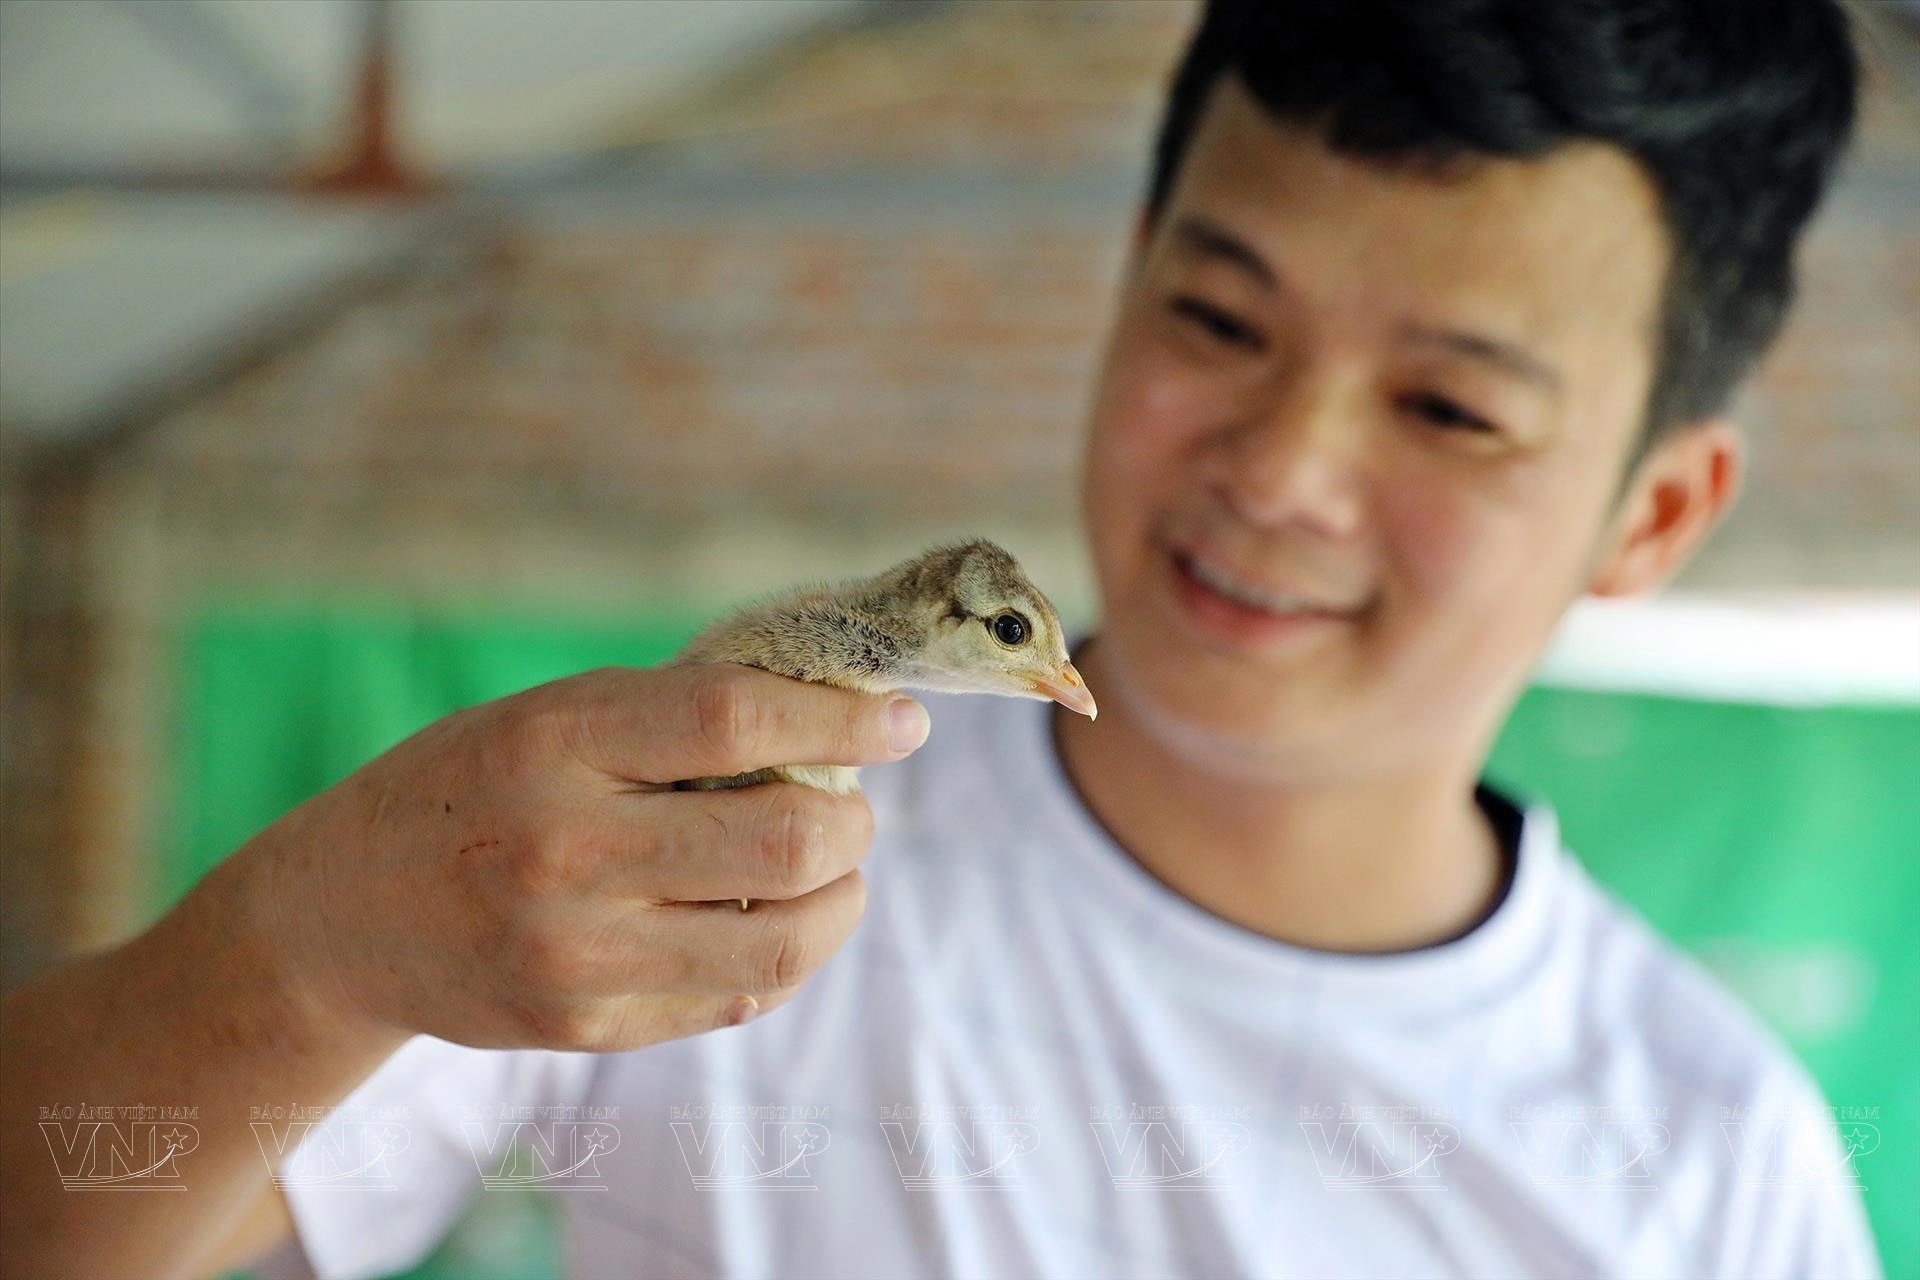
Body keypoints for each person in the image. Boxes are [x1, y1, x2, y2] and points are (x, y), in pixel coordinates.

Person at [0, 1, 1880, 1276]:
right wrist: (306, 946)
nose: (1283, 471)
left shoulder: (1716, 1164)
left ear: (1653, 512)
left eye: (1452, 409)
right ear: (1128, 276)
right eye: (1220, 322)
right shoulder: (707, 834)